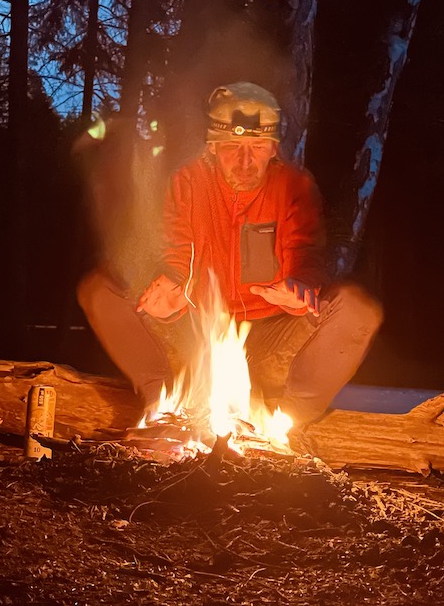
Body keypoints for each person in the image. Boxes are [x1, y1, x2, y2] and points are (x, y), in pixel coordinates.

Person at [77, 82, 382, 426]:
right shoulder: (189, 182)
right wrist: (172, 286)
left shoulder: (294, 186)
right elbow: (178, 249)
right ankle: (160, 405)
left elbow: (305, 251)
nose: (246, 160)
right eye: (233, 146)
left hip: (273, 343)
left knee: (357, 308)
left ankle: (287, 423)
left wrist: (301, 285)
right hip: (197, 340)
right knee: (101, 289)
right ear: (212, 147)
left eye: (257, 146)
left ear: (273, 149)